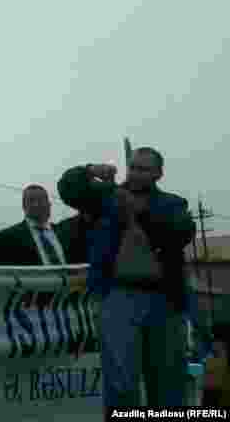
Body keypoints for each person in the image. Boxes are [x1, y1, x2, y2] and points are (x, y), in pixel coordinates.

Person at [58, 149, 196, 412]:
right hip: (117, 297)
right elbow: (67, 188)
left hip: (164, 300)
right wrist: (90, 170)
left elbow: (181, 232)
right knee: (121, 382)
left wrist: (140, 211)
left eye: (144, 169)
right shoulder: (105, 197)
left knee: (168, 382)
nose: (136, 173)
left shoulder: (173, 204)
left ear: (158, 174)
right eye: (132, 167)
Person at [0, 185, 68, 266]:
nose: (36, 204)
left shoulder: (65, 232)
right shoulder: (7, 237)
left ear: (49, 204)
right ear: (24, 206)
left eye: (41, 200)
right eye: (31, 200)